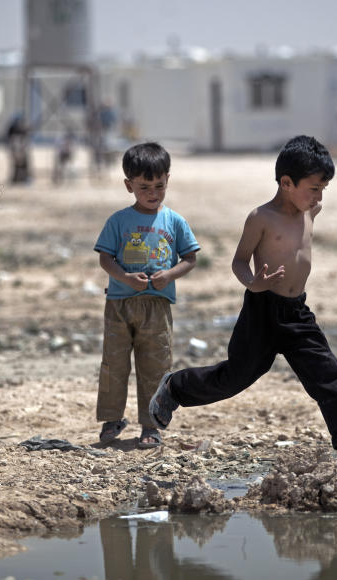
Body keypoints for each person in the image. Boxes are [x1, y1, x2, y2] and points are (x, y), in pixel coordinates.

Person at [149, 135, 337, 461]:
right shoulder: (260, 217)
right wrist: (254, 283)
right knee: (236, 376)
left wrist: (313, 200)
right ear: (286, 182)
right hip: (262, 309)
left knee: (327, 374)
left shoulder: (309, 210)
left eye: (323, 189)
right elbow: (238, 261)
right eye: (314, 188)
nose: (318, 196)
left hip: (297, 311)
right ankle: (175, 388)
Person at [94, 142, 200, 449]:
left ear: (168, 179)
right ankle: (112, 418)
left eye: (159, 186)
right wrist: (125, 277)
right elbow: (105, 258)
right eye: (144, 187)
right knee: (114, 363)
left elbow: (190, 258)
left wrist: (169, 275)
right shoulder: (117, 221)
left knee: (155, 366)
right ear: (129, 185)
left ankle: (151, 426)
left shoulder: (175, 221)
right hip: (119, 304)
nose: (152, 193)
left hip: (157, 306)